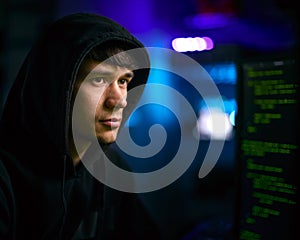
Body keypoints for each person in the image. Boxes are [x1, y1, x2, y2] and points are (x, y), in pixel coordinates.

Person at [0, 12, 160, 239]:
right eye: (99, 80)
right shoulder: (5, 176)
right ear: (56, 87)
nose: (120, 100)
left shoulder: (111, 168)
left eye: (123, 81)